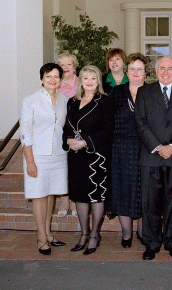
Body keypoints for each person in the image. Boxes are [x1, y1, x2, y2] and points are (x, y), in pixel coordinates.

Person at [135, 56, 172, 260]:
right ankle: (151, 244)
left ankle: (171, 243)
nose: (166, 72)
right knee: (150, 203)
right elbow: (140, 122)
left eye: (170, 68)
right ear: (156, 71)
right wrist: (158, 147)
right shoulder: (144, 92)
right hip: (151, 156)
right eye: (162, 68)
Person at [63, 65, 115, 255]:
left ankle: (94, 235)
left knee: (96, 195)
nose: (90, 81)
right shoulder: (72, 102)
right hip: (75, 156)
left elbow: (108, 131)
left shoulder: (105, 102)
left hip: (96, 156)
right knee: (79, 195)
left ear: (98, 81)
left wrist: (85, 142)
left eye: (94, 78)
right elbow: (66, 128)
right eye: (86, 78)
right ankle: (83, 233)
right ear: (81, 81)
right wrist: (68, 140)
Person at [20, 63, 68, 255]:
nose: (53, 80)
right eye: (49, 76)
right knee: (39, 196)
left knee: (50, 195)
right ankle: (41, 238)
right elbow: (25, 133)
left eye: (56, 76)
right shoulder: (30, 100)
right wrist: (30, 161)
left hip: (58, 155)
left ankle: (48, 234)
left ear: (60, 79)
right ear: (42, 78)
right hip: (37, 156)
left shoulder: (65, 99)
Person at [107, 53, 149, 248]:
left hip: (146, 147)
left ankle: (142, 231)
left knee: (144, 190)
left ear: (145, 73)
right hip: (120, 149)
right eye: (132, 68)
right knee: (123, 190)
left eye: (140, 69)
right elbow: (107, 122)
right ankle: (126, 233)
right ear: (126, 71)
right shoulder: (116, 93)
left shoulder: (152, 92)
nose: (135, 72)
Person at [55, 52, 79, 218]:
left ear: (74, 66)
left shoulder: (82, 81)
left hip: (79, 130)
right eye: (62, 65)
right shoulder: (55, 84)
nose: (65, 68)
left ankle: (75, 201)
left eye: (68, 64)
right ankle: (64, 199)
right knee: (62, 167)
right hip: (61, 131)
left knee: (77, 167)